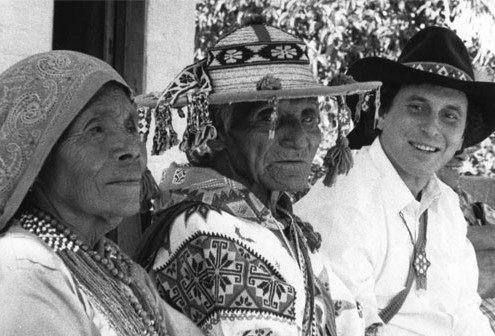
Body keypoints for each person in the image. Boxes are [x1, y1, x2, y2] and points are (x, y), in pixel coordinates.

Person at [135, 20, 381, 336]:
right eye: (269, 117)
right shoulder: (206, 231)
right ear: (217, 134)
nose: (298, 138)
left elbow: (348, 319)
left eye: (308, 117)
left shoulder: (276, 220)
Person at [295, 26, 495, 335]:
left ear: (462, 135)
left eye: (450, 116)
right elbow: (349, 327)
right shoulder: (344, 201)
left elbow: (465, 312)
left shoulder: (446, 204)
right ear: (382, 113)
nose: (431, 128)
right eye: (417, 107)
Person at [0, 50, 202, 336]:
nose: (131, 149)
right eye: (96, 129)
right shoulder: (24, 267)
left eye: (131, 127)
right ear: (38, 157)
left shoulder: (115, 264)